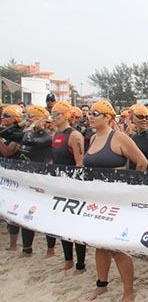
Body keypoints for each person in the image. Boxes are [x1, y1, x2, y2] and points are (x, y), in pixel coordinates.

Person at [84, 100, 148, 302]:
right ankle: (101, 285)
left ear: (108, 118)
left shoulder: (119, 137)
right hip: (96, 201)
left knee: (117, 248)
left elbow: (143, 162)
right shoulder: (93, 137)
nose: (91, 116)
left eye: (96, 113)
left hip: (115, 202)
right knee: (100, 245)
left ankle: (128, 292)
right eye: (90, 113)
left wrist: (129, 189)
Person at [51, 101, 87, 272]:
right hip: (59, 185)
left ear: (65, 115)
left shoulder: (74, 136)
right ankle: (68, 260)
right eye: (52, 114)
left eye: (56, 114)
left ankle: (80, 264)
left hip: (73, 187)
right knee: (61, 225)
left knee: (76, 227)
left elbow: (80, 164)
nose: (53, 117)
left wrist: (75, 187)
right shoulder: (55, 134)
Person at [17, 105, 57, 257]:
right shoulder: (27, 133)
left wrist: (33, 127)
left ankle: (50, 249)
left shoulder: (47, 136)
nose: (27, 120)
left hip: (42, 180)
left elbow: (33, 141)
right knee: (25, 213)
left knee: (46, 215)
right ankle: (27, 248)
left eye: (31, 117)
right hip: (27, 179)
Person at [0, 104, 25, 251]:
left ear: (15, 119)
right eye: (3, 115)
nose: (3, 118)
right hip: (4, 173)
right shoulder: (5, 130)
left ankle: (14, 245)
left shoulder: (18, 133)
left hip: (13, 176)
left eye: (7, 116)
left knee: (12, 209)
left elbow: (9, 152)